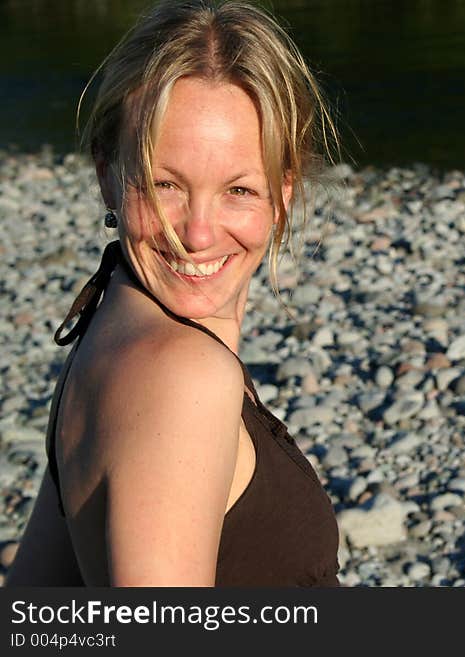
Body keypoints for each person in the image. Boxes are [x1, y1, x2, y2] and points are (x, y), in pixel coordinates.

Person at [7, 0, 341, 586]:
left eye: (238, 190)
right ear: (107, 174)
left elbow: (39, 599)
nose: (199, 233)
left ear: (283, 190)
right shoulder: (184, 377)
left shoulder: (109, 325)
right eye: (165, 184)